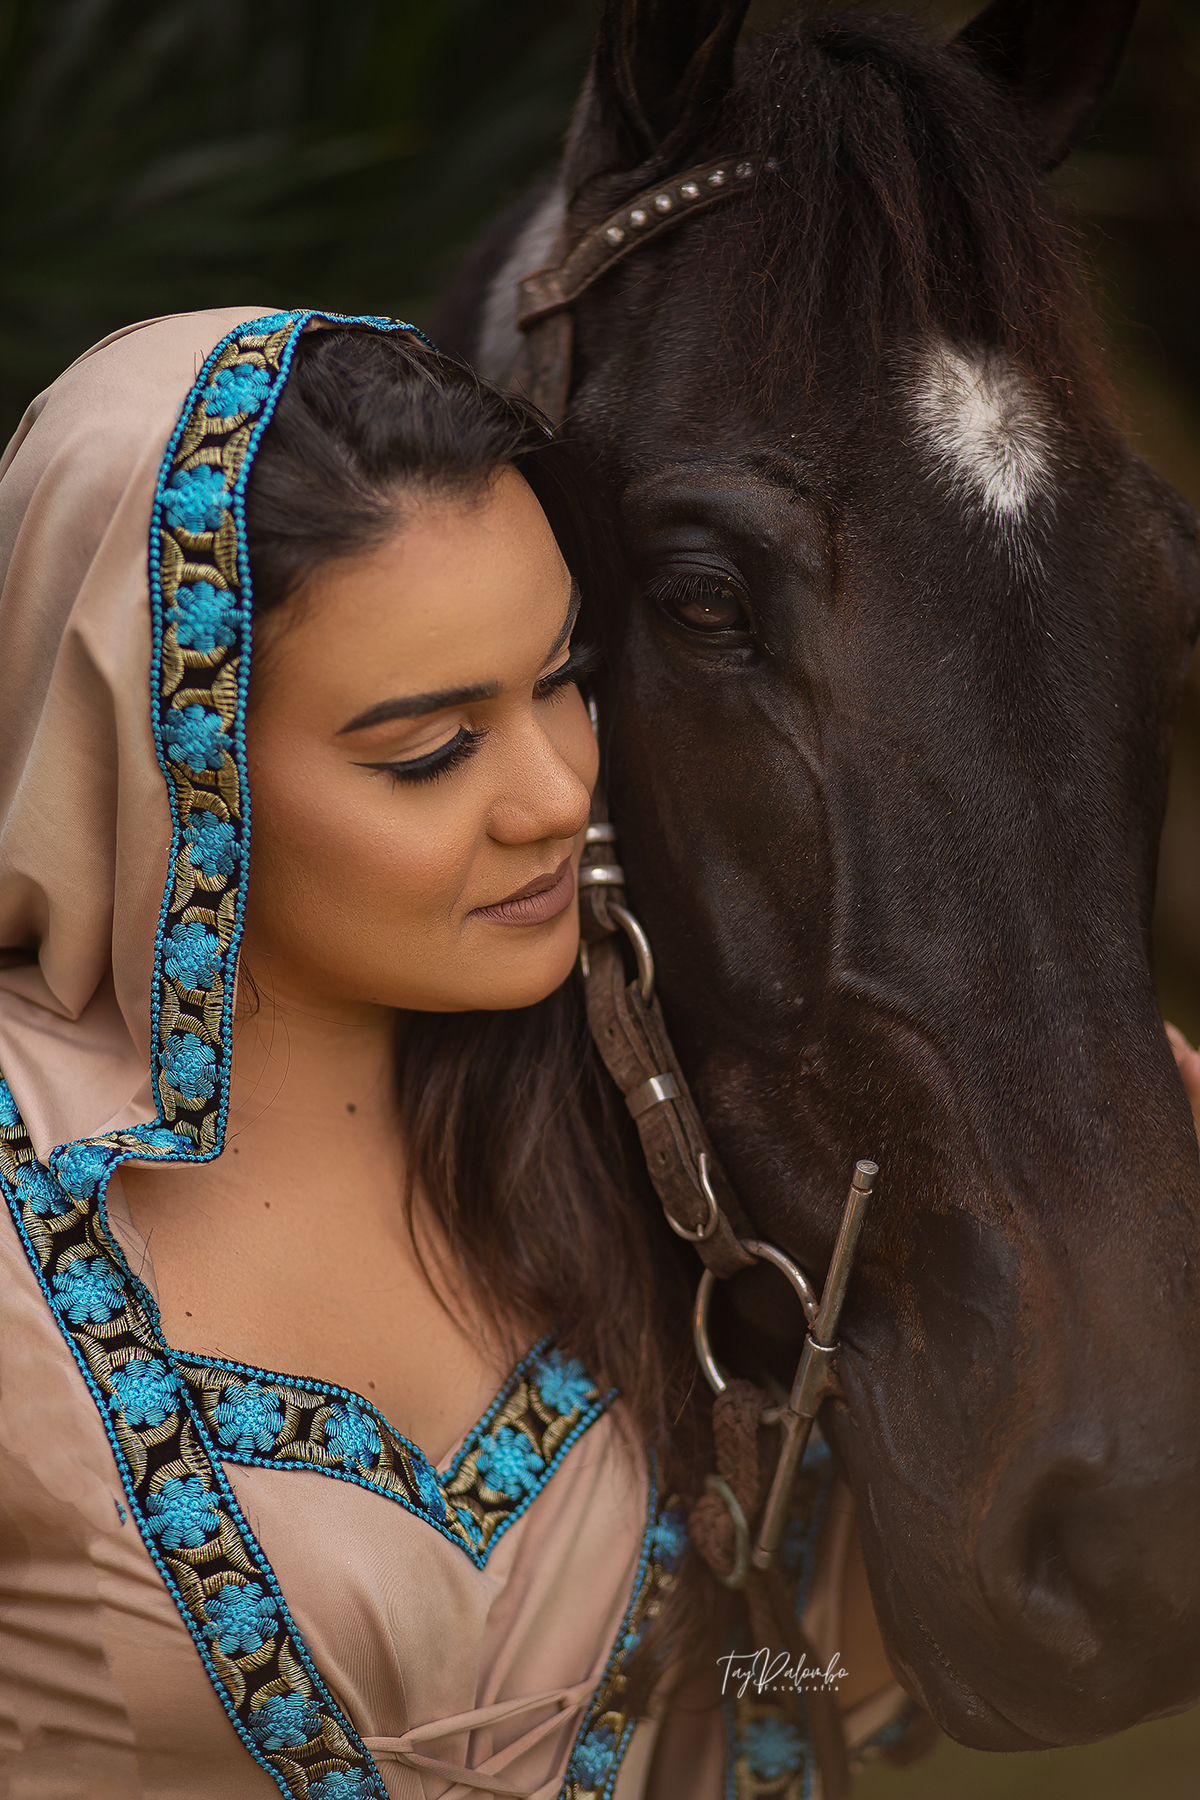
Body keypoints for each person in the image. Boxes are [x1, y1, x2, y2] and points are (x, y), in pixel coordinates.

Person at [0, 309, 904, 1799]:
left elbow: (768, 1677)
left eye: (563, 679)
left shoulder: (640, 1123)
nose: (557, 794)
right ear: (171, 766)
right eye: (428, 751)